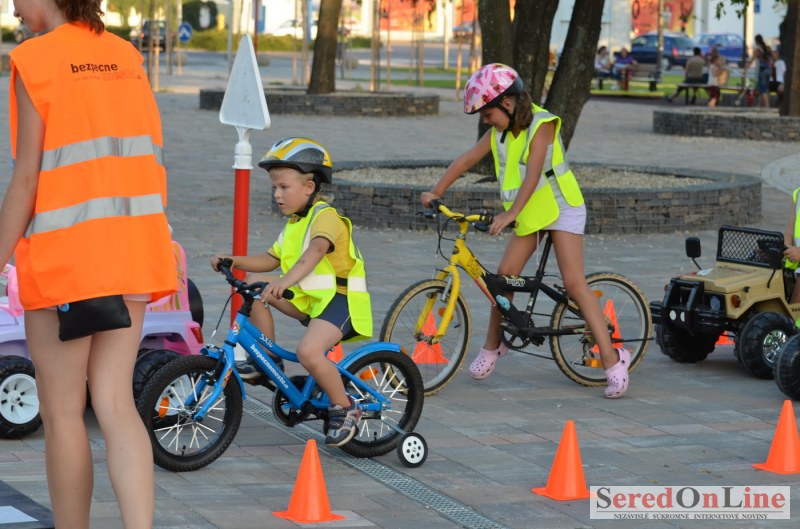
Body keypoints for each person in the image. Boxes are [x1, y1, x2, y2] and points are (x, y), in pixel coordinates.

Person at [0, 1, 177, 528]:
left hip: (67, 261)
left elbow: (27, 181)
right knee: (116, 404)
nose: (13, 6)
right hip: (135, 249)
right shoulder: (126, 56)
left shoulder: (36, 60)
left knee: (62, 413)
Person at [421, 64, 631, 398]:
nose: (486, 121)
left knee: (574, 284)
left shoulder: (542, 125)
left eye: (488, 114)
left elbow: (533, 174)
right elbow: (465, 161)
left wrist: (510, 214)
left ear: (507, 103)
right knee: (502, 280)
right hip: (531, 211)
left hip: (561, 208)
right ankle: (493, 346)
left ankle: (612, 360)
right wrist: (436, 191)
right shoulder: (498, 133)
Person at [210, 137, 373, 446]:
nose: (277, 194)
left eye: (284, 187)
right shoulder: (295, 223)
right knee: (254, 288)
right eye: (275, 187)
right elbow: (270, 259)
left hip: (341, 301)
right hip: (311, 303)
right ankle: (270, 361)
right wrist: (233, 260)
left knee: (308, 352)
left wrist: (285, 282)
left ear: (309, 187)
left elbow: (315, 252)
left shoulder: (325, 217)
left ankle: (346, 408)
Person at [747, 34, 773, 109]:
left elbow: (751, 60)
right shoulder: (768, 48)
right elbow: (772, 58)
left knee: (762, 89)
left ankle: (767, 107)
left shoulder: (758, 50)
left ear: (756, 41)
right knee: (765, 88)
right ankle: (759, 106)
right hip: (769, 70)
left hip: (762, 71)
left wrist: (746, 69)